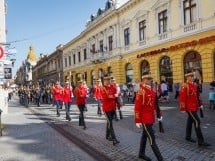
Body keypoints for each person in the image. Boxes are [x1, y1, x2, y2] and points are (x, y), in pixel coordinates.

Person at [134, 74, 163, 161]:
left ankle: (141, 153)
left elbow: (155, 105)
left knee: (144, 136)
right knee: (152, 139)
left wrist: (159, 114)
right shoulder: (141, 91)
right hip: (144, 119)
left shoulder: (152, 90)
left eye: (150, 79)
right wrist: (137, 120)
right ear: (143, 80)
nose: (150, 80)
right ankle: (160, 158)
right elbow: (137, 107)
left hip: (150, 118)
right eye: (148, 79)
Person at [179, 72, 210, 147]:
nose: (192, 77)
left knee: (190, 121)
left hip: (194, 106)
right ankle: (200, 141)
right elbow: (182, 98)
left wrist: (200, 104)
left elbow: (197, 96)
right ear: (187, 78)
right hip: (189, 108)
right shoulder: (185, 86)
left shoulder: (194, 85)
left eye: (192, 76)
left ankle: (188, 136)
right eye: (190, 76)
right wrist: (183, 108)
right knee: (197, 121)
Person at [101, 76, 120, 146]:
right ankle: (114, 139)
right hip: (106, 109)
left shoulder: (112, 87)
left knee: (109, 122)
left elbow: (117, 95)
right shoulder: (103, 88)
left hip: (112, 108)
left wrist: (118, 102)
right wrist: (115, 95)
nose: (107, 81)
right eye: (105, 80)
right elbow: (107, 97)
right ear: (104, 81)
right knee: (110, 123)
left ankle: (107, 135)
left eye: (108, 80)